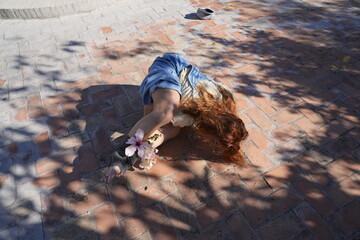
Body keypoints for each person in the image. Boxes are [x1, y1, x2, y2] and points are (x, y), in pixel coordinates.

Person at [103, 53, 248, 183]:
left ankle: (141, 147)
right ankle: (122, 157)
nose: (210, 144)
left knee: (174, 129)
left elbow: (165, 131)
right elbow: (159, 123)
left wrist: (150, 146)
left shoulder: (227, 98)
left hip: (180, 71)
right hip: (168, 65)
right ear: (213, 127)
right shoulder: (189, 113)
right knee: (166, 113)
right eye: (214, 142)